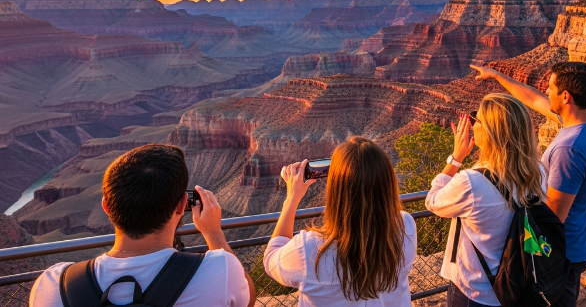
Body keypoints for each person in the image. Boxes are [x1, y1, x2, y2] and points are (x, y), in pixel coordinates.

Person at [29, 144, 256, 307]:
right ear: (182, 205)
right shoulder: (219, 272)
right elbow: (247, 299)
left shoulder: (53, 286)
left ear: (106, 207)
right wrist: (213, 232)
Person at [469, 62, 586, 307]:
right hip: (584, 237)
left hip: (563, 252)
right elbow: (534, 99)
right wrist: (498, 75)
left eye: (550, 87)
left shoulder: (569, 149)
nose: (546, 91)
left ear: (566, 96)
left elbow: (553, 215)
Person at [425, 93, 548, 307]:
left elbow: (433, 201)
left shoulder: (472, 182)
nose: (472, 124)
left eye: (477, 119)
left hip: (475, 291)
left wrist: (456, 158)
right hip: (517, 284)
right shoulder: (538, 172)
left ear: (491, 131)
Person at [264, 137, 417, 306]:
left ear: (337, 187)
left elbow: (271, 258)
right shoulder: (405, 227)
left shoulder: (310, 250)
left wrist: (291, 199)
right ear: (387, 184)